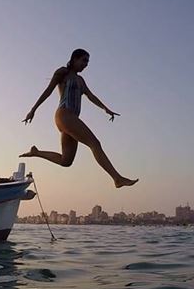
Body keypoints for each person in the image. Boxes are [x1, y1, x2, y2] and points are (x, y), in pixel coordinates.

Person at [20, 49, 138, 188]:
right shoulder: (63, 72)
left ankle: (36, 152)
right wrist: (33, 110)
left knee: (66, 161)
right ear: (74, 59)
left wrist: (105, 109)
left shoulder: (81, 80)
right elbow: (48, 90)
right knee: (95, 143)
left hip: (71, 119)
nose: (86, 65)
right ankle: (117, 178)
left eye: (87, 62)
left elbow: (90, 96)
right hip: (64, 115)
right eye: (84, 60)